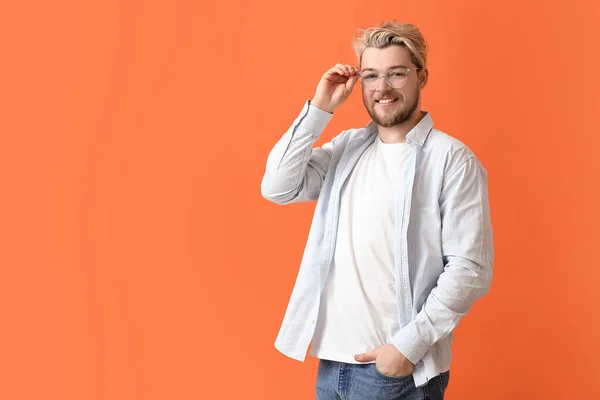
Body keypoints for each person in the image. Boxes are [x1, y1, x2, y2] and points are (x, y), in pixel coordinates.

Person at [260, 20, 494, 400]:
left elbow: (470, 268)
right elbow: (277, 186)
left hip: (397, 373)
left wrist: (407, 347)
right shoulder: (346, 149)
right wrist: (320, 108)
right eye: (370, 76)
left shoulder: (451, 159)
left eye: (396, 74)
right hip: (331, 363)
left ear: (421, 76)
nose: (382, 88)